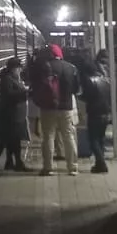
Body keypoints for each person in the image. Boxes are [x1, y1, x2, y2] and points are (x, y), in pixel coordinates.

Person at [30, 43, 80, 176]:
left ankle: (48, 168)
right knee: (68, 136)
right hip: (66, 108)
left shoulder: (44, 67)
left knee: (48, 137)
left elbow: (36, 86)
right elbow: (76, 89)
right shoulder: (71, 68)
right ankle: (73, 167)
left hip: (48, 107)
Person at [0, 57, 30, 171]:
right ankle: (18, 163)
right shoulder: (7, 80)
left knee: (12, 139)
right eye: (18, 68)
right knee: (15, 140)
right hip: (12, 114)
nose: (20, 70)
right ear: (12, 68)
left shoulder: (14, 78)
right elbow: (9, 94)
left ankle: (10, 162)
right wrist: (24, 91)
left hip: (16, 114)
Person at [83, 51, 113, 174]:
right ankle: (99, 164)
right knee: (100, 139)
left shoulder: (90, 81)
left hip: (94, 113)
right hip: (105, 112)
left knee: (93, 139)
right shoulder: (106, 80)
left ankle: (101, 163)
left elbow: (86, 96)